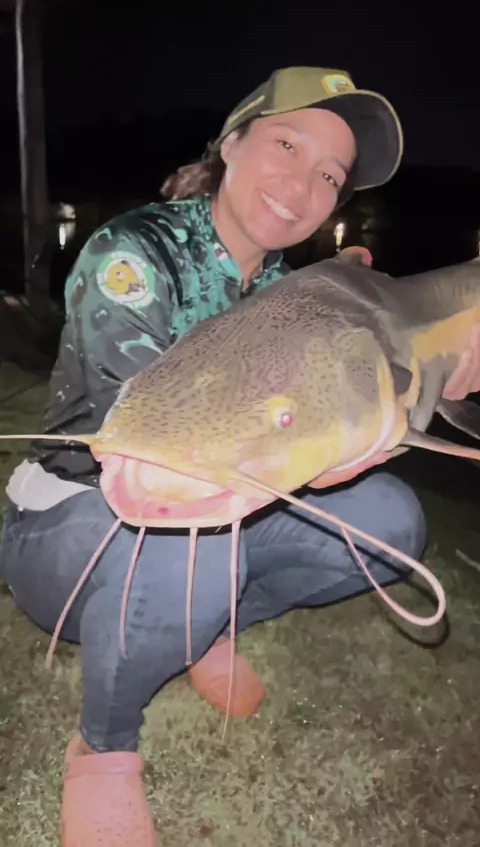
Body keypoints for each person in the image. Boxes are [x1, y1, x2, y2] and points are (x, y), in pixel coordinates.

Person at [0, 65, 426, 847]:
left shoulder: (290, 291)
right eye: (287, 145)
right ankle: (103, 745)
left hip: (214, 507)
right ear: (231, 143)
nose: (302, 185)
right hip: (71, 521)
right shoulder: (132, 252)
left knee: (392, 524)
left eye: (329, 175)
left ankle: (202, 629)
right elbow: (160, 450)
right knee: (187, 527)